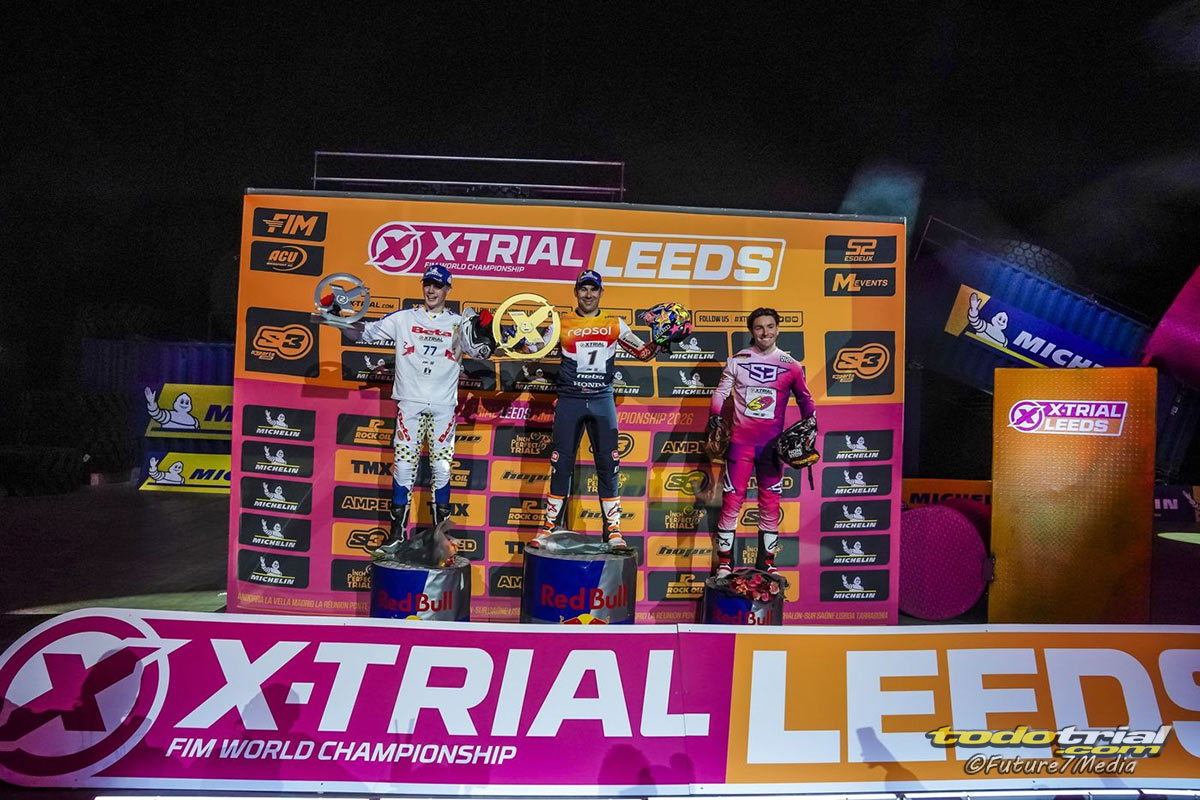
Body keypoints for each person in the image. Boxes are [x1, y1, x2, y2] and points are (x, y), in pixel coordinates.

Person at [348, 264, 463, 556]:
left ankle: (440, 539)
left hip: (443, 408)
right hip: (409, 404)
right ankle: (396, 535)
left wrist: (490, 336)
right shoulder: (403, 318)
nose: (431, 291)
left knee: (442, 469)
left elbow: (485, 348)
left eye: (437, 286)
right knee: (403, 468)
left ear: (448, 290)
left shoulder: (460, 324)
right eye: (427, 284)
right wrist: (338, 318)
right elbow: (363, 334)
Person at [543, 270, 658, 545]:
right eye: (583, 289)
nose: (588, 294)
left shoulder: (615, 324)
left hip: (601, 399)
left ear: (601, 293)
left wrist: (661, 341)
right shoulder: (561, 322)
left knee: (609, 464)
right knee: (561, 464)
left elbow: (643, 354)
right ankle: (550, 527)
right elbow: (535, 347)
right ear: (576, 292)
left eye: (593, 289)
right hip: (570, 399)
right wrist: (517, 336)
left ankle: (613, 529)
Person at [709, 307, 816, 575]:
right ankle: (725, 564)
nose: (765, 332)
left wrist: (811, 425)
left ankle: (767, 564)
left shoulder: (791, 365)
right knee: (731, 502)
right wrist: (715, 416)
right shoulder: (737, 360)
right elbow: (720, 393)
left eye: (770, 327)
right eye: (759, 327)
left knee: (770, 504)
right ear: (752, 331)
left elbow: (805, 399)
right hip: (740, 446)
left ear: (778, 330)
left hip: (772, 449)